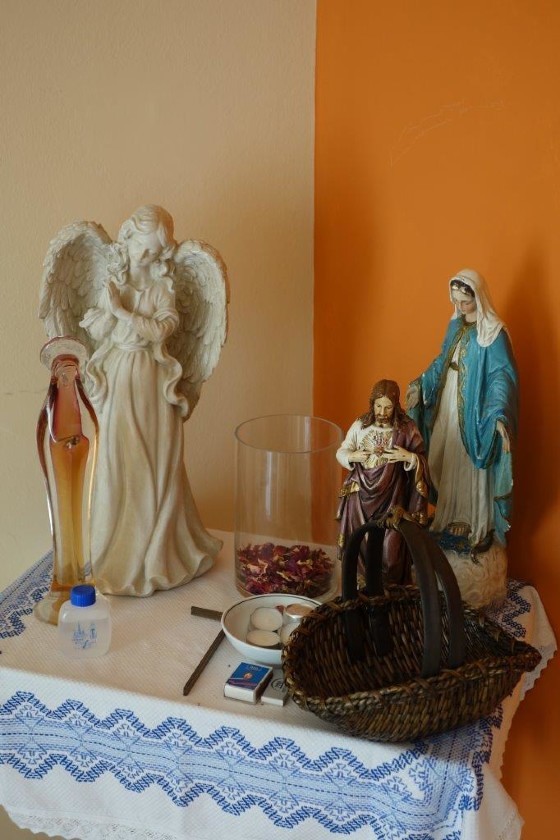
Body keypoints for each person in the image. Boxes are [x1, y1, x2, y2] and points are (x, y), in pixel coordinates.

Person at [78, 206, 222, 595]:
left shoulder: (162, 290)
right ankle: (116, 553)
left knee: (154, 460)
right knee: (117, 458)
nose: (145, 256)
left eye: (153, 251)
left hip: (151, 379)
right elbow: (98, 331)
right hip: (118, 376)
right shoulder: (113, 284)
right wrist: (106, 315)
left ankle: (157, 553)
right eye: (141, 248)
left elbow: (160, 331)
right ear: (127, 240)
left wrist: (122, 311)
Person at [406, 268, 518, 552]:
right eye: (455, 300)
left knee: (469, 461)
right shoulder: (455, 325)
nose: (460, 306)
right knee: (447, 453)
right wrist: (421, 384)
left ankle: (473, 521)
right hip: (448, 402)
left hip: (476, 409)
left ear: (478, 297)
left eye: (465, 301)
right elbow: (442, 360)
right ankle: (447, 516)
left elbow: (501, 376)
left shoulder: (493, 333)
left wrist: (498, 413)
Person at [336, 379, 429, 584]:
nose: (382, 412)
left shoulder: (406, 428)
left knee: (391, 552)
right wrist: (352, 456)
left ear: (395, 406)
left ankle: (391, 589)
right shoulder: (361, 424)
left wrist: (408, 457)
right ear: (372, 404)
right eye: (378, 406)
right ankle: (360, 587)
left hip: (392, 497)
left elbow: (421, 458)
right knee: (359, 543)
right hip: (360, 496)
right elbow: (342, 450)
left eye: (388, 407)